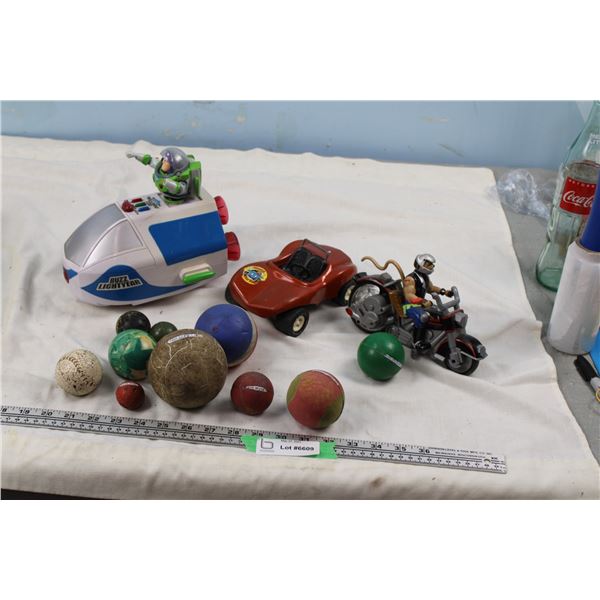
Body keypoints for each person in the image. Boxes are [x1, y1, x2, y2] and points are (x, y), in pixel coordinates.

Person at [401, 253, 454, 351]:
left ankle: (432, 336)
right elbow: (409, 296)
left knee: (438, 312)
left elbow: (431, 288)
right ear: (420, 264)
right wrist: (423, 301)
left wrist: (444, 292)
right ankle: (417, 342)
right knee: (423, 317)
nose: (431, 266)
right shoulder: (410, 279)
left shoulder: (425, 277)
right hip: (409, 305)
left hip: (420, 304)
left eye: (431, 265)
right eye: (428, 264)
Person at [126, 147, 201, 202]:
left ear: (173, 166)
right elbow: (150, 160)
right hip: (165, 196)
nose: (163, 162)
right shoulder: (164, 170)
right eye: (164, 159)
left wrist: (169, 184)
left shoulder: (181, 177)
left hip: (178, 200)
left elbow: (180, 189)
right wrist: (135, 155)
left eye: (166, 161)